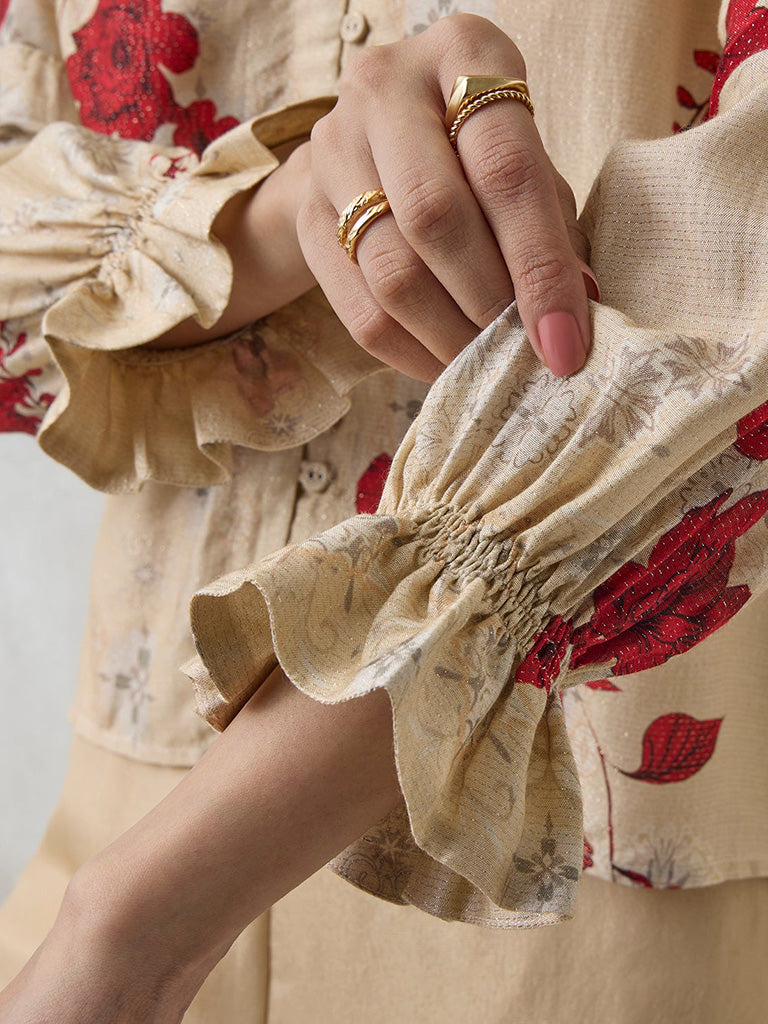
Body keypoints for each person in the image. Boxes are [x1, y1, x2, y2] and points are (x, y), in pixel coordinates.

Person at [1, 0, 768, 1020]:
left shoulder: (123, 926)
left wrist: (135, 927)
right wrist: (293, 210)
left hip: (572, 896)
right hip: (128, 793)